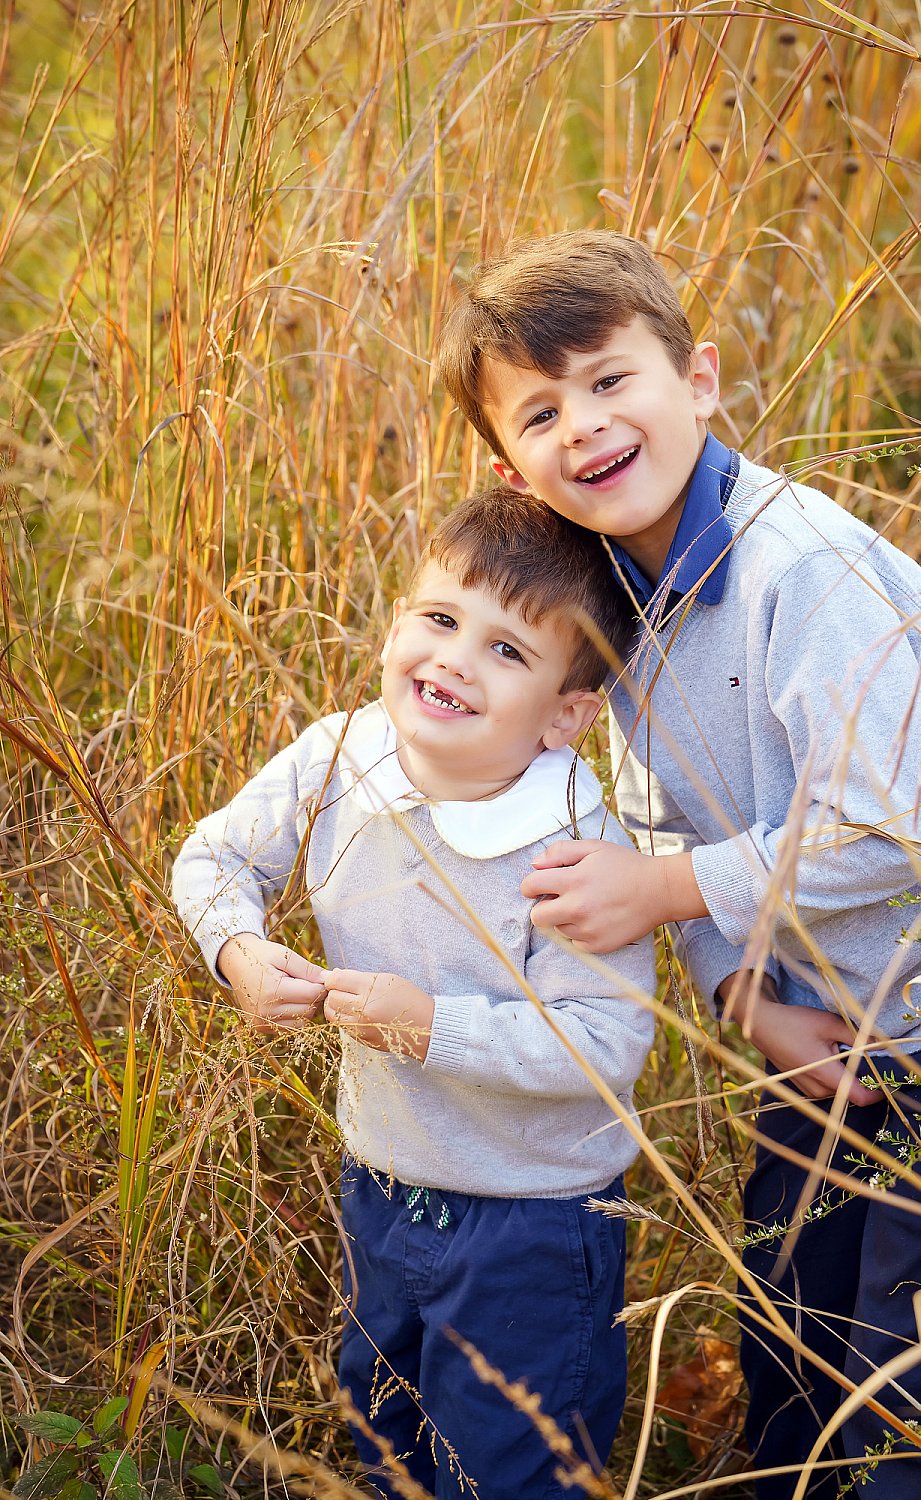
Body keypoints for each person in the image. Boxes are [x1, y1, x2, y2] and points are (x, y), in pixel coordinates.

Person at [436, 230, 921, 1498]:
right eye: (539, 412)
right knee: (791, 1336)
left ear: (698, 381)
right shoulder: (616, 603)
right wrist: (745, 996)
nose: (581, 426)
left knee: (920, 1384)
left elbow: (884, 822)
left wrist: (672, 897)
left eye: (606, 380)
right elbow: (662, 820)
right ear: (515, 468)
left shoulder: (807, 570)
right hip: (826, 1032)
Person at [171, 486, 656, 1500]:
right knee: (382, 1429)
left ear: (570, 712)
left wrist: (432, 1026)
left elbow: (606, 1043)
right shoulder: (341, 757)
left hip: (530, 1223)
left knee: (507, 1468)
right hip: (382, 1185)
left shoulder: (573, 845)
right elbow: (214, 857)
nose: (452, 660)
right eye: (439, 619)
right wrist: (241, 954)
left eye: (506, 651)